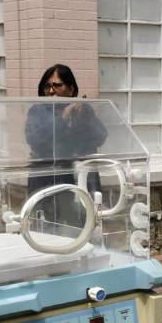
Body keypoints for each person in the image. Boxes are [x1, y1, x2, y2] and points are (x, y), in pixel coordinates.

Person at [25, 64, 107, 230]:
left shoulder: (82, 109)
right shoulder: (37, 111)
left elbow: (100, 136)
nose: (51, 91)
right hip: (46, 180)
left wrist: (85, 118)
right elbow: (36, 140)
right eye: (47, 86)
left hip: (78, 180)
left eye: (57, 85)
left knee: (81, 228)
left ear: (71, 89)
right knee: (47, 230)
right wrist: (63, 118)